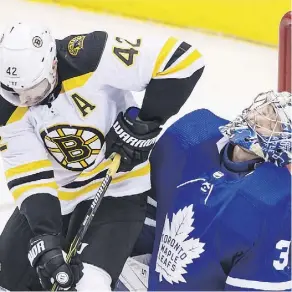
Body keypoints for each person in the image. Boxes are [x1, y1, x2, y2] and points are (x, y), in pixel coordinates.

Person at [0, 22, 204, 291]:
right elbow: (30, 177)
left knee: (90, 285)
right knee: (7, 278)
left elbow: (182, 59)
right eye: (15, 92)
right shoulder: (6, 106)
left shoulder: (89, 55)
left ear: (51, 65)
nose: (26, 99)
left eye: (34, 89)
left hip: (118, 189)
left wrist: (145, 122)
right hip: (58, 196)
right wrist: (46, 235)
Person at [116, 90, 291, 291]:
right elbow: (147, 214)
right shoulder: (192, 133)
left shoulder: (277, 201)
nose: (255, 117)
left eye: (270, 122)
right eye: (261, 109)